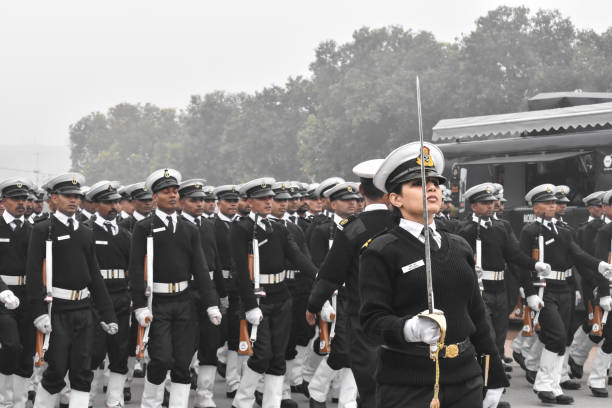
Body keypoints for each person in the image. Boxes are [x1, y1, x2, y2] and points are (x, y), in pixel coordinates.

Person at [359, 142, 508, 408]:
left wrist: (493, 374)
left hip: (466, 379)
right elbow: (372, 321)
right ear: (395, 199)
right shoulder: (382, 250)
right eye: (418, 183)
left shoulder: (459, 245)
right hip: (408, 385)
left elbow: (476, 314)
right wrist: (408, 328)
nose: (432, 188)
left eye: (435, 184)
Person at [129, 168, 221, 408]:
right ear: (155, 197)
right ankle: (150, 404)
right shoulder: (144, 228)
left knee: (182, 362)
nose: (172, 196)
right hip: (157, 302)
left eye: (175, 192)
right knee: (160, 359)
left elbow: (200, 269)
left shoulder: (189, 229)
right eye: (166, 192)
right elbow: (136, 270)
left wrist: (212, 303)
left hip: (184, 301)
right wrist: (139, 306)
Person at [306, 159, 394, 408]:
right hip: (399, 317)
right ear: (389, 192)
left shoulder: (353, 230)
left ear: (362, 192)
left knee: (368, 383)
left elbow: (330, 275)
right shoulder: (402, 226)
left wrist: (313, 305)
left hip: (362, 317)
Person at [26, 173, 118, 408]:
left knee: (82, 369)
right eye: (68, 196)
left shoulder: (86, 232)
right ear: (54, 199)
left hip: (83, 309)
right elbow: (34, 274)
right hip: (56, 309)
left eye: (77, 196)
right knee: (56, 369)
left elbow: (94, 275)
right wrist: (39, 312)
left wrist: (107, 314)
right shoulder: (43, 229)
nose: (74, 201)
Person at [520, 184, 612, 404]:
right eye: (547, 203)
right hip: (545, 289)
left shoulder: (564, 230)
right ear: (535, 207)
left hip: (564, 289)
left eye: (554, 203)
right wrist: (530, 293)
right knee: (556, 336)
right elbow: (521, 264)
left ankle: (554, 386)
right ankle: (543, 384)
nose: (553, 206)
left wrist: (598, 265)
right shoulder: (531, 231)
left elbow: (577, 254)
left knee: (565, 338)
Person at [230, 177, 317, 408]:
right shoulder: (242, 229)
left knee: (278, 356)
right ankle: (242, 401)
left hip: (281, 296)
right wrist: (249, 305)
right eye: (262, 198)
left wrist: (319, 276)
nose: (269, 201)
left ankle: (272, 403)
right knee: (262, 355)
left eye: (270, 197)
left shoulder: (278, 227)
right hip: (259, 297)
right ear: (249, 202)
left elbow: (297, 256)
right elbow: (240, 270)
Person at [178, 179, 226, 408]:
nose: (200, 204)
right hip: (184, 291)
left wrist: (221, 294)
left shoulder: (208, 225)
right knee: (183, 345)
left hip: (208, 291)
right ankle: (175, 390)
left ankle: (204, 395)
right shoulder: (175, 225)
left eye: (203, 200)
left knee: (210, 344)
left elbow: (214, 262)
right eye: (194, 200)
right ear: (181, 202)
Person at [84, 180, 132, 408]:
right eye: (107, 203)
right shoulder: (87, 231)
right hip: (96, 301)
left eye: (116, 202)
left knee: (120, 351)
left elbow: (134, 269)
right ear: (95, 205)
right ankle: (88, 398)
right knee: (94, 352)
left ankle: (115, 399)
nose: (113, 206)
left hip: (121, 298)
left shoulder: (125, 235)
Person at [0, 178, 35, 408]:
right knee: (11, 346)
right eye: (16, 199)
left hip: (29, 296)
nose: (21, 203)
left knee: (27, 352)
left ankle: (20, 403)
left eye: (24, 199)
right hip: (2, 298)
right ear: (4, 201)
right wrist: (2, 291)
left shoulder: (35, 230)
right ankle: (4, 401)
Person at [212, 184, 243, 398]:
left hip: (238, 286)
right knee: (212, 335)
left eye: (235, 201)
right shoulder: (210, 225)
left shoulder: (243, 225)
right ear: (218, 203)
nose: (233, 204)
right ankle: (197, 371)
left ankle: (233, 382)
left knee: (235, 336)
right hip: (217, 285)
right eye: (228, 201)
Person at [590, 189, 612, 397]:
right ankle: (597, 378)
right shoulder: (606, 231)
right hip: (611, 288)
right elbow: (601, 264)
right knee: (610, 336)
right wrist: (604, 293)